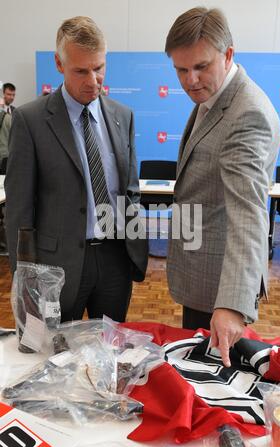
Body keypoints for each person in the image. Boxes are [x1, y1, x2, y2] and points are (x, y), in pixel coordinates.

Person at [5, 16, 148, 323]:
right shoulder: (30, 121)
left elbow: (130, 192)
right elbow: (19, 209)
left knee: (110, 351)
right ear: (59, 63)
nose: (93, 80)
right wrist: (26, 279)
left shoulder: (123, 116)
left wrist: (134, 246)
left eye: (99, 68)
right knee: (55, 357)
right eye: (81, 71)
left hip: (115, 259)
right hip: (57, 267)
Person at [165, 7, 280, 367]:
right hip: (203, 276)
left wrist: (231, 305)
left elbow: (248, 213)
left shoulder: (247, 113)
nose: (190, 79)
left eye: (200, 66)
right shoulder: (214, 97)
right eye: (181, 70)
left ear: (228, 54)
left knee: (214, 395)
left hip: (220, 292)